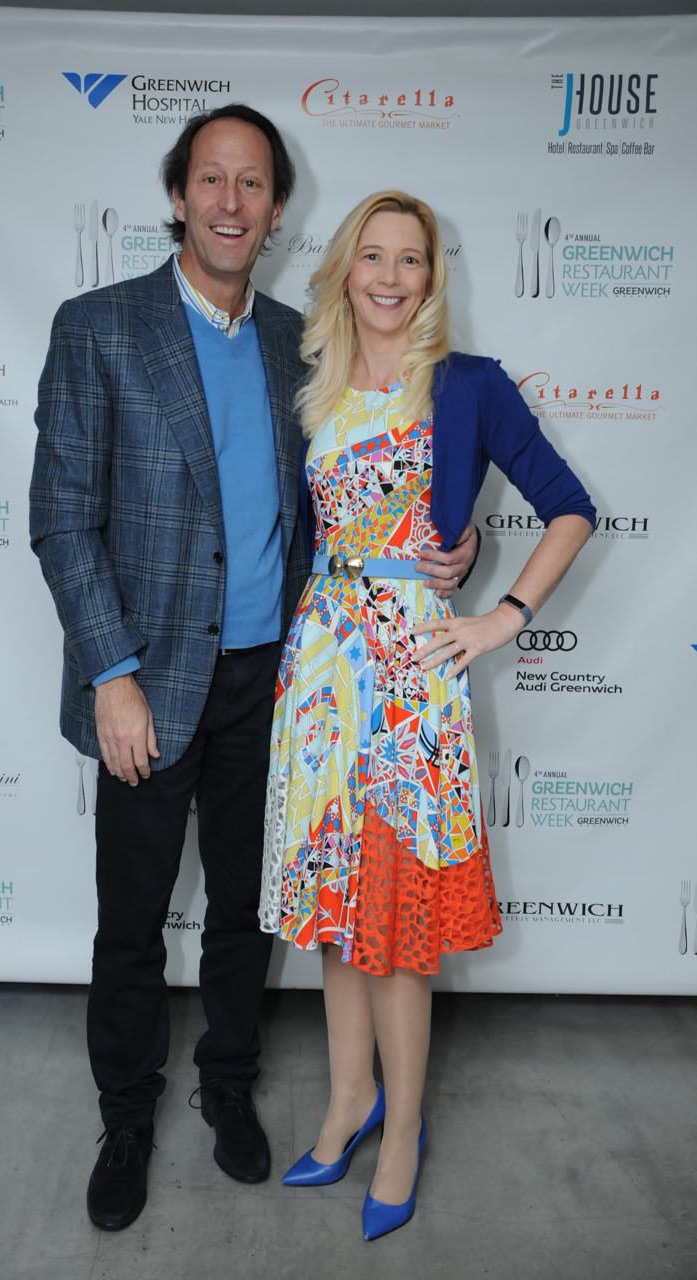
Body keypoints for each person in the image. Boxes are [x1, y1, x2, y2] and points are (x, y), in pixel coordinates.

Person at [30, 117, 479, 1233]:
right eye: (211, 181)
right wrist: (111, 674)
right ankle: (125, 1117)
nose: (230, 203)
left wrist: (456, 545)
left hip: (280, 686)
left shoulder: (299, 342)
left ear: (277, 209)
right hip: (147, 684)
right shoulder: (99, 326)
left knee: (247, 909)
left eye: (253, 185)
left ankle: (228, 1088)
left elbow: (362, 498)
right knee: (132, 919)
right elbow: (61, 517)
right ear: (179, 195)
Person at [260, 191, 595, 1241]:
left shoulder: (468, 384)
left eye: (411, 259)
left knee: (400, 920)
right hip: (322, 671)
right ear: (345, 268)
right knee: (336, 904)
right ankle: (347, 1102)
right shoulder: (311, 380)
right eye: (374, 255)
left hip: (413, 672)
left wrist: (499, 616)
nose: (391, 277)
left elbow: (569, 506)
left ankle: (402, 1130)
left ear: (432, 277)